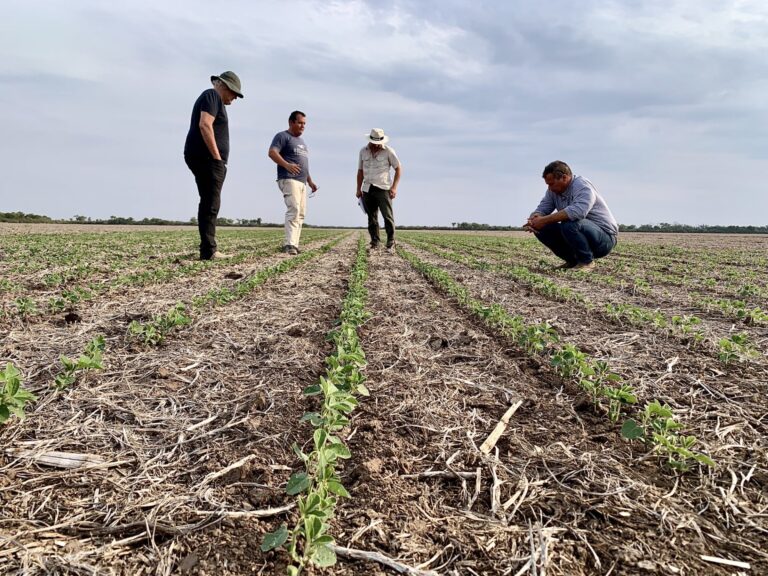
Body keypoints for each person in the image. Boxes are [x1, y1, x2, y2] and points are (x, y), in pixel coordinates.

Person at [184, 71, 243, 260]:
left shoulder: (214, 99)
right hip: (208, 159)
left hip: (208, 159)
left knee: (209, 202)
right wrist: (217, 158)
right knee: (211, 204)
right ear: (224, 86)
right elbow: (205, 124)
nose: (234, 98)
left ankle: (208, 249)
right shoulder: (211, 95)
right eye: (234, 93)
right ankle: (209, 251)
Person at [524, 160, 618, 271]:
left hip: (604, 239)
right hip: (579, 233)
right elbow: (542, 208)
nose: (549, 188)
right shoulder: (552, 191)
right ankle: (573, 262)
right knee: (541, 228)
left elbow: (578, 212)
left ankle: (586, 262)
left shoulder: (582, 185)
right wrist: (534, 219)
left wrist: (543, 220)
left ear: (564, 177)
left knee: (569, 223)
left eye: (551, 183)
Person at [268, 111, 319, 255]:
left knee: (301, 213)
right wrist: (286, 165)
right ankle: (289, 244)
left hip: (302, 182)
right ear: (291, 122)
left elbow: (304, 165)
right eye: (300, 123)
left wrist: (310, 181)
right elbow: (272, 152)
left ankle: (294, 245)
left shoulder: (302, 143)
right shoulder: (283, 136)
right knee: (294, 210)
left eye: (304, 123)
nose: (303, 126)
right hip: (289, 178)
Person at [356, 128, 402, 250]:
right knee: (371, 217)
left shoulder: (388, 151)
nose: (377, 145)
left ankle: (391, 241)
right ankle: (374, 241)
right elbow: (360, 171)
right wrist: (358, 188)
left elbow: (398, 168)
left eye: (379, 143)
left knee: (387, 216)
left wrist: (394, 188)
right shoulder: (363, 151)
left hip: (383, 188)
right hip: (367, 188)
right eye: (374, 142)